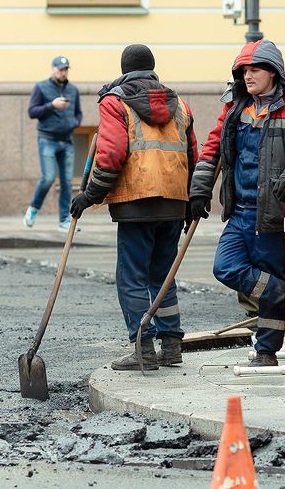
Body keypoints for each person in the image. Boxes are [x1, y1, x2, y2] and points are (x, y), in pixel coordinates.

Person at [189, 39, 285, 368]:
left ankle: (266, 351)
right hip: (240, 212)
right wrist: (199, 190)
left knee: (270, 277)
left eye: (255, 69)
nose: (248, 76)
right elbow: (212, 151)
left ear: (273, 73)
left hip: (276, 213)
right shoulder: (234, 110)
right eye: (244, 70)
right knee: (226, 267)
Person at [69, 44, 198, 370]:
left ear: (124, 68)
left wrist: (90, 195)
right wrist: (193, 201)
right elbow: (193, 155)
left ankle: (144, 350)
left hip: (136, 202)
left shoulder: (115, 102)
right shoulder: (179, 104)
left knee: (132, 278)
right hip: (173, 200)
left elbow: (110, 155)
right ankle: (171, 347)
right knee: (163, 276)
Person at [24, 55, 83, 232]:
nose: (63, 72)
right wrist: (51, 105)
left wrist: (74, 123)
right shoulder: (41, 87)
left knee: (66, 182)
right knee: (48, 177)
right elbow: (32, 112)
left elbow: (79, 113)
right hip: (47, 139)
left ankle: (65, 220)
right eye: (60, 69)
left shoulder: (73, 90)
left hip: (67, 140)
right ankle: (33, 209)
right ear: (53, 69)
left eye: (65, 69)